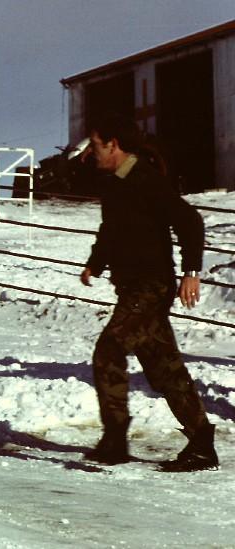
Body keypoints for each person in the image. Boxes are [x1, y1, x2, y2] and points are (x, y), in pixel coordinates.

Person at [79, 113, 217, 472]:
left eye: (96, 145)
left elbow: (189, 221)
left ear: (113, 144)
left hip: (150, 286)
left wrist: (191, 272)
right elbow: (111, 228)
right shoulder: (113, 182)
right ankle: (202, 443)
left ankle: (114, 437)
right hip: (132, 287)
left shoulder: (146, 179)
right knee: (165, 369)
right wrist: (96, 262)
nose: (92, 152)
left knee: (109, 350)